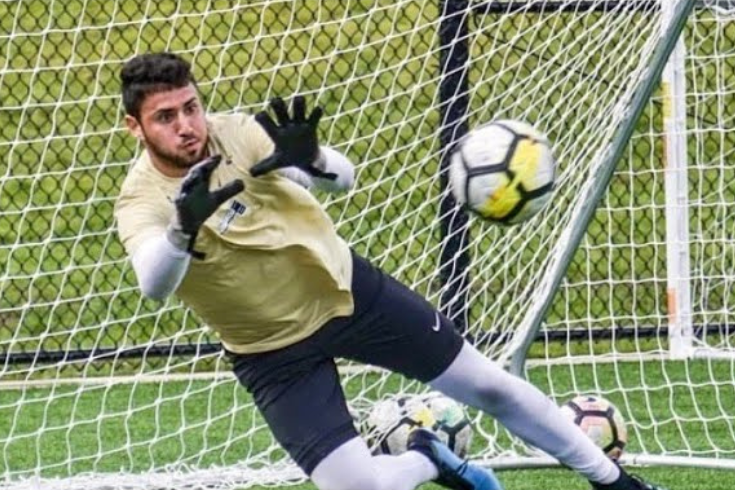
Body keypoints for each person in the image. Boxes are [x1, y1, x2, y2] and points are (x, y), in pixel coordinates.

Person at [114, 52, 667, 490]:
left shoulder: (236, 132)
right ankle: (429, 456)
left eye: (191, 107)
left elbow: (342, 179)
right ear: (134, 127)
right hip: (269, 350)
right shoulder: (141, 201)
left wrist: (312, 160)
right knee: (359, 488)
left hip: (348, 292)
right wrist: (181, 231)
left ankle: (614, 481)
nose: (187, 125)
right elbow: (153, 285)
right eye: (166, 117)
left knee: (489, 386)